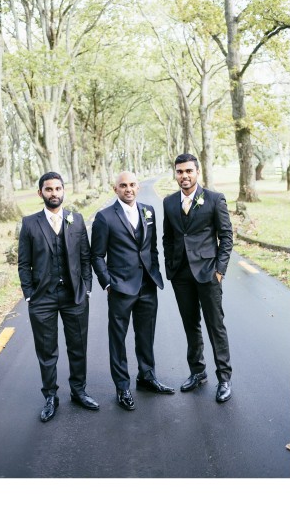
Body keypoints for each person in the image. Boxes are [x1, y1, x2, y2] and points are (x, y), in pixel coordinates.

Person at [89, 171, 174, 411]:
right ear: (115, 189)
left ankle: (147, 377)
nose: (129, 189)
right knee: (118, 339)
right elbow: (96, 255)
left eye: (133, 185)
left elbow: (152, 248)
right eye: (123, 185)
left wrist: (154, 271)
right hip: (120, 287)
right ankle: (122, 387)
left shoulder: (149, 211)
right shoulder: (104, 217)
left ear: (138, 187)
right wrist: (107, 282)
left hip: (147, 285)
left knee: (146, 335)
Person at [17, 172, 97, 422]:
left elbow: (86, 256)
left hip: (74, 295)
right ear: (40, 193)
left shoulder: (77, 219)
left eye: (58, 188)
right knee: (47, 350)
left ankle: (79, 391)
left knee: (78, 346)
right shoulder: (30, 223)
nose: (54, 193)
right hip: (43, 298)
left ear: (64, 191)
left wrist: (87, 288)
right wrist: (29, 294)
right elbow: (24, 263)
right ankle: (50, 396)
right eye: (49, 189)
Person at [162, 153, 234, 404]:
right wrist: (170, 267)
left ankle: (224, 378)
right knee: (190, 325)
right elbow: (168, 237)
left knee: (215, 326)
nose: (184, 176)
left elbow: (226, 237)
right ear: (175, 173)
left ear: (197, 172)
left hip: (208, 272)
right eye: (180, 171)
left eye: (188, 171)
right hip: (181, 275)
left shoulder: (214, 199)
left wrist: (220, 270)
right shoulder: (169, 202)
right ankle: (197, 372)